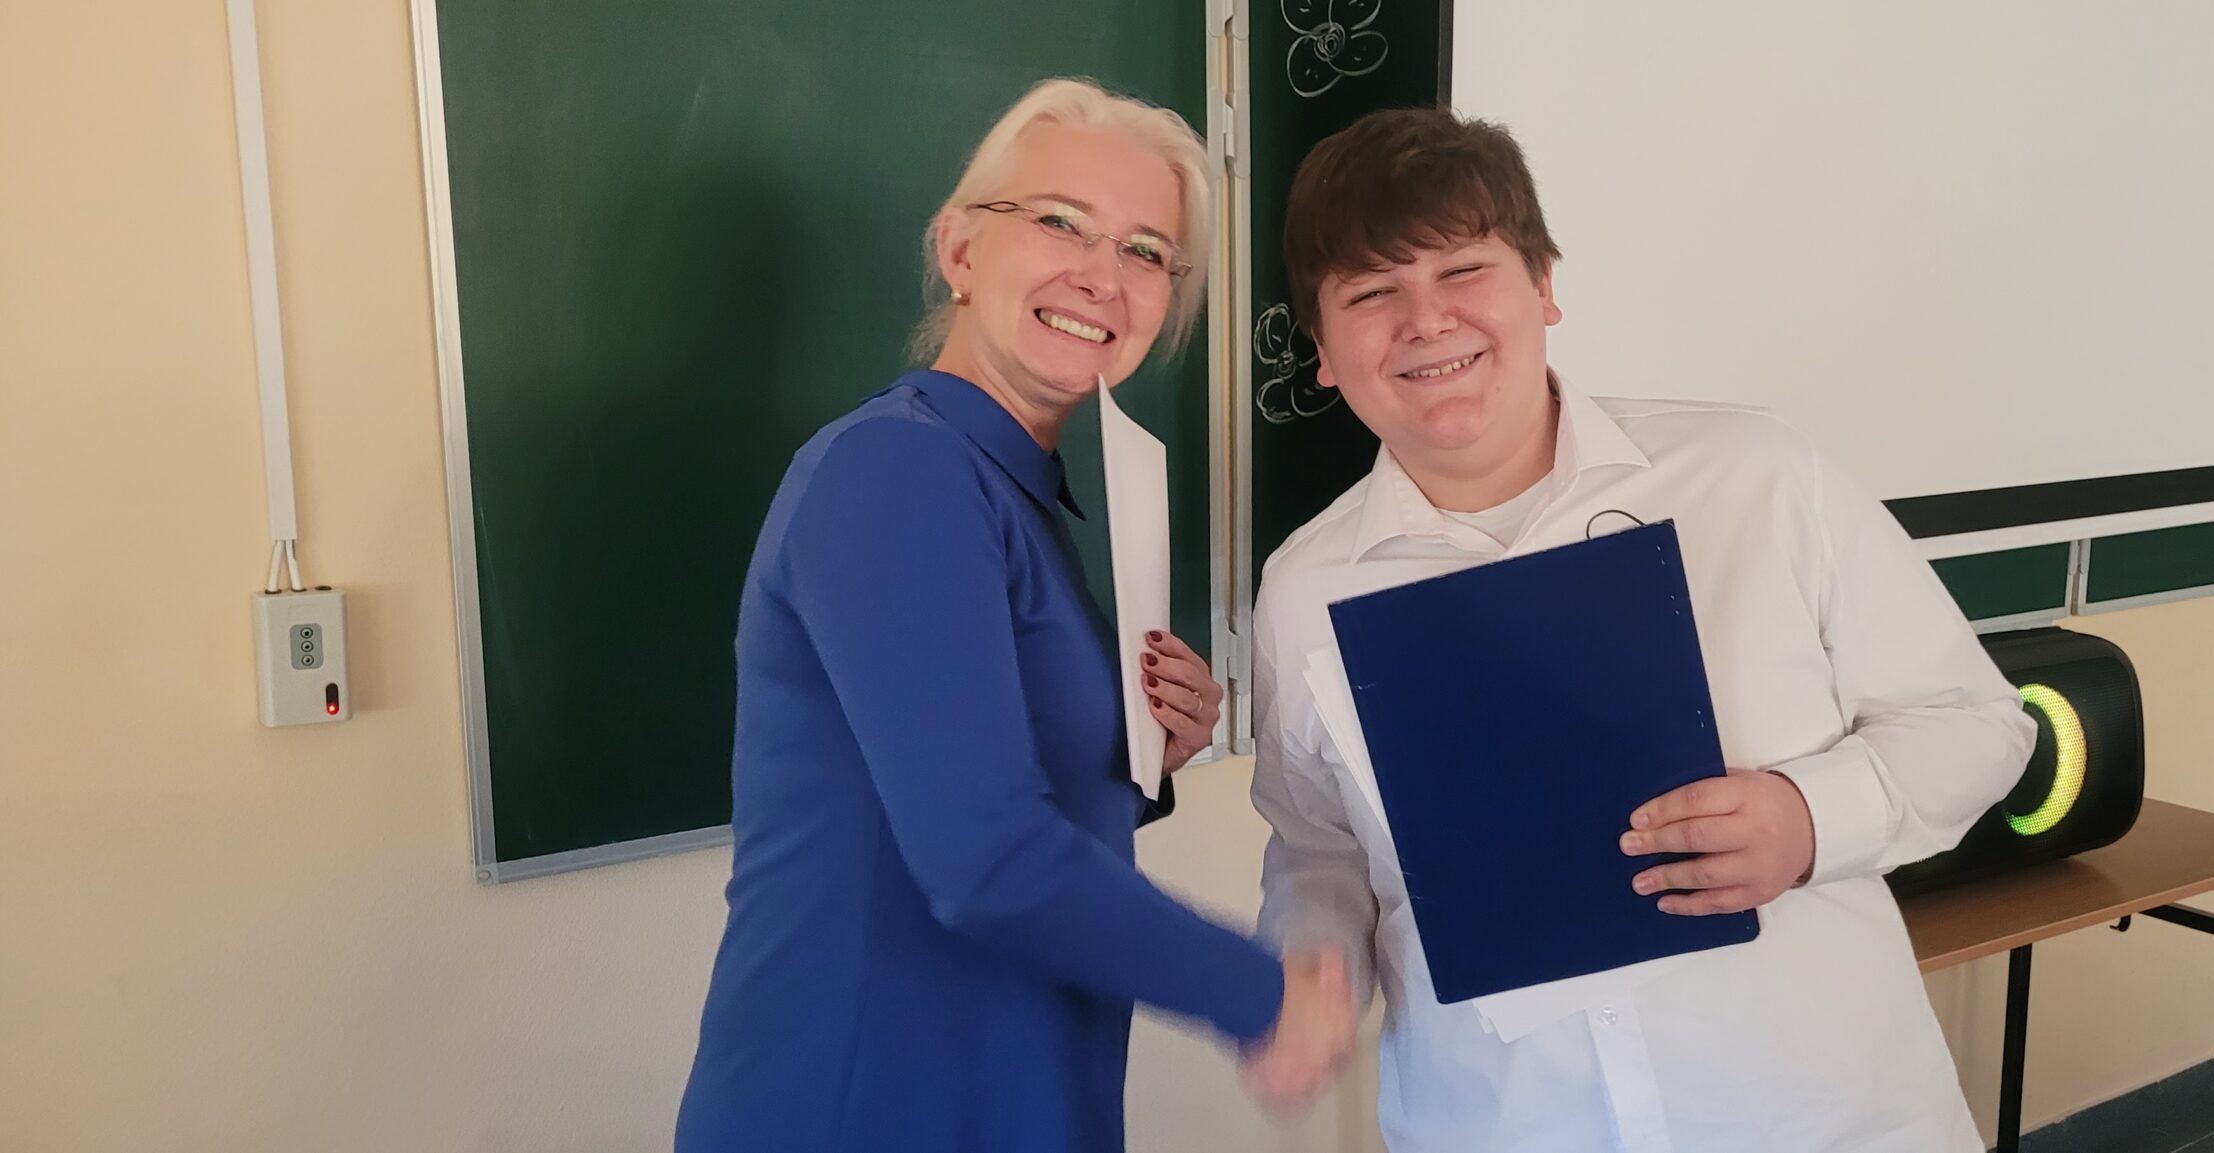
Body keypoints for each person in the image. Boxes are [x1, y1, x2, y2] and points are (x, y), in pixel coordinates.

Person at [1249, 107, 2037, 1151]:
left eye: (1464, 270)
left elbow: (1978, 723)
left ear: (1543, 285)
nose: (1426, 320)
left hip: (1819, 1119)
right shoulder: (1305, 588)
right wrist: (1308, 964)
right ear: (1321, 350)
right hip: (1504, 1126)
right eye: (1370, 292)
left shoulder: (1754, 476)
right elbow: (1318, 848)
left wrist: (1808, 819)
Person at [674, 78, 1353, 1153]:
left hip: (1009, 1091)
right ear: (959, 249)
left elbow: (958, 786)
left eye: (1145, 251)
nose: (1101, 274)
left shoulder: (1013, 488)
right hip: (872, 1108)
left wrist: (1135, 749)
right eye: (1058, 222)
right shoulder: (899, 472)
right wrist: (1262, 994)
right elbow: (984, 855)